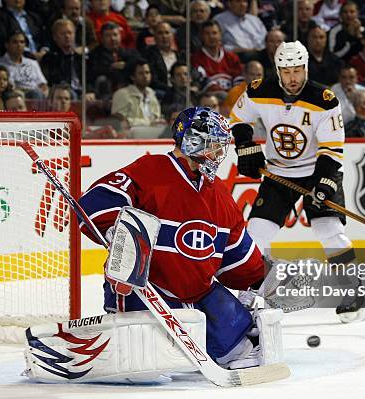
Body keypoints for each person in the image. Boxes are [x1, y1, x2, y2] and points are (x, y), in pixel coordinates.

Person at [78, 107, 267, 368]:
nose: (220, 154)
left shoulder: (219, 194)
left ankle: (217, 339)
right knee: (148, 361)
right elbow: (93, 204)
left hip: (199, 296)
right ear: (192, 141)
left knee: (246, 351)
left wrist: (262, 278)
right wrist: (116, 232)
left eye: (222, 146)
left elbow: (238, 255)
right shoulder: (150, 170)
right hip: (146, 292)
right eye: (214, 145)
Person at [229, 41, 364, 322]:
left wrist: (325, 183)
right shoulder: (258, 91)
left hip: (318, 170)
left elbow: (332, 148)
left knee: (329, 229)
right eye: (286, 71)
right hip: (278, 173)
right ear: (278, 70)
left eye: (298, 70)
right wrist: (245, 146)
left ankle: (353, 291)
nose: (293, 78)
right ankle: (251, 293)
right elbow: (239, 118)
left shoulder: (324, 100)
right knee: (256, 233)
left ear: (306, 68)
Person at [191, 21, 244, 96]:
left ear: (220, 35)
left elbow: (239, 78)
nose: (211, 36)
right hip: (210, 99)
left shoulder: (232, 57)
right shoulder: (196, 58)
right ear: (201, 36)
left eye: (214, 33)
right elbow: (204, 81)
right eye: (207, 34)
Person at [111, 59, 163, 127]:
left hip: (153, 134)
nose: (145, 76)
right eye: (141, 73)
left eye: (147, 72)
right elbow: (119, 120)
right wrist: (148, 123)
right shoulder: (122, 94)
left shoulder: (151, 93)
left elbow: (157, 118)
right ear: (132, 77)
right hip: (130, 135)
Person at [0, 31, 48, 99]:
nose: (19, 45)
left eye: (22, 42)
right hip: (14, 97)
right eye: (15, 42)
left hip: (37, 96)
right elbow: (9, 87)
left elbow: (43, 84)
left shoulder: (32, 63)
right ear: (7, 45)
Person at [142, 21, 184, 97]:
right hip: (162, 92)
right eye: (160, 33)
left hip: (182, 90)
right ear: (154, 36)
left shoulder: (180, 55)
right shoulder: (148, 54)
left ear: (172, 36)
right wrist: (172, 90)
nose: (164, 36)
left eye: (167, 33)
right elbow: (153, 80)